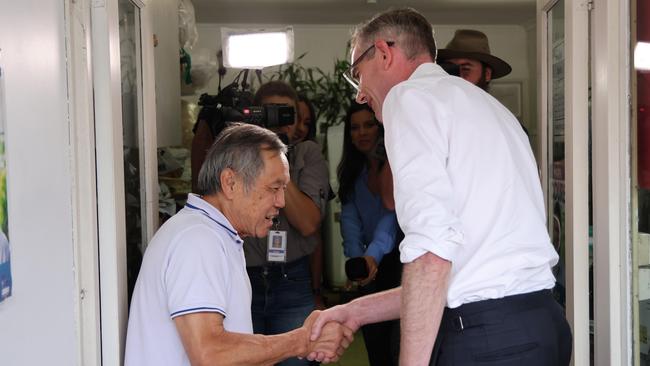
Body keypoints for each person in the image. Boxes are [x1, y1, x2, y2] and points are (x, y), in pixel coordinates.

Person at [308, 7, 572, 366]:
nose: (359, 96)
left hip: (487, 339)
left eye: (357, 74)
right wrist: (356, 311)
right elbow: (464, 273)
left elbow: (431, 255)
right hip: (542, 324)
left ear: (384, 53)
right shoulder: (492, 109)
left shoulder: (410, 98)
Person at [125, 124, 351, 365]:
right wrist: (301, 341)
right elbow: (211, 354)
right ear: (230, 182)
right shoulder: (198, 239)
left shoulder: (210, 234)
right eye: (274, 188)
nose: (281, 202)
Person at [244, 81, 330, 366]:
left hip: (292, 280)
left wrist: (276, 160)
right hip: (245, 279)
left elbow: (307, 223)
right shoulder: (237, 157)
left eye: (286, 115)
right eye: (269, 113)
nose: (279, 122)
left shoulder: (307, 154)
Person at [337, 100, 402, 365]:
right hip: (369, 265)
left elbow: (391, 215)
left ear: (381, 129)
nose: (362, 132)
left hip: (398, 260)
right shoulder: (352, 172)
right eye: (355, 128)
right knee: (375, 346)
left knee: (398, 344)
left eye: (369, 125)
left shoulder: (396, 164)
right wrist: (357, 259)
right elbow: (349, 219)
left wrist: (372, 255)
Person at [436, 29, 511, 91]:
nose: (456, 75)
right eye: (450, 68)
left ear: (487, 74)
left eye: (465, 69)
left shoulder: (491, 108)